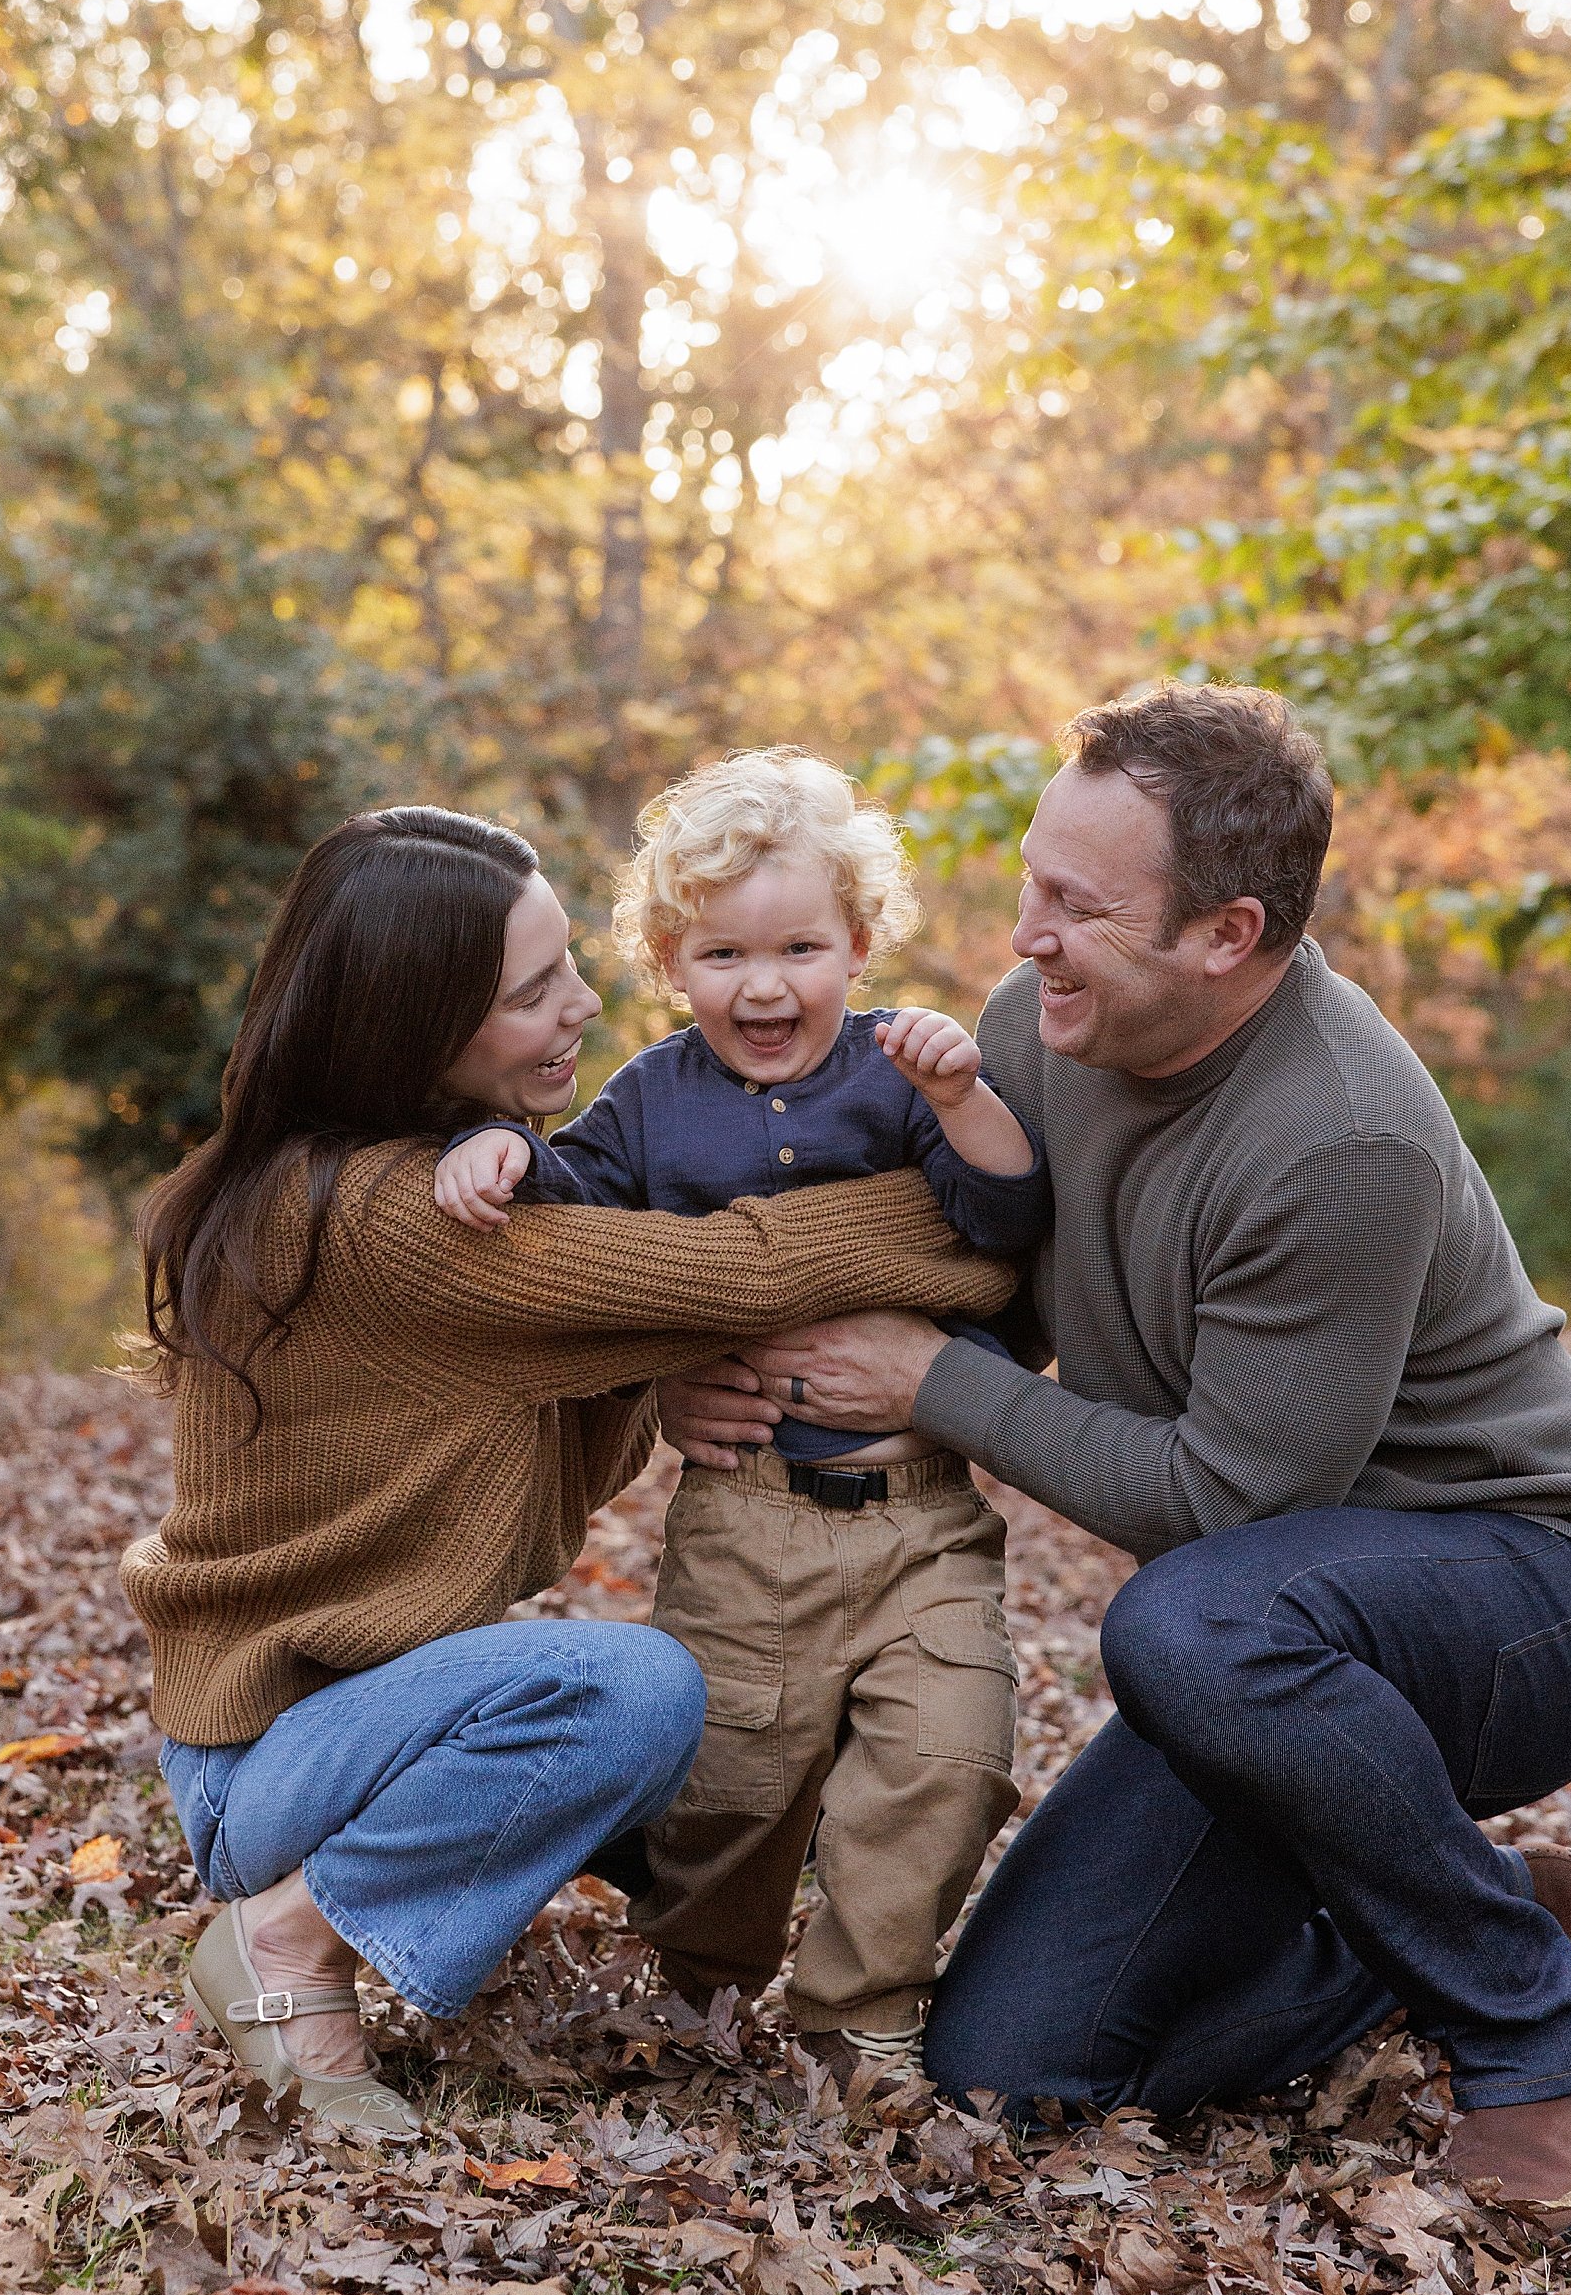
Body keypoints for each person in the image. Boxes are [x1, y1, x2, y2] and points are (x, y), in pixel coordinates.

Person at [660, 687, 1571, 2221]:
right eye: (1028, 882)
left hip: (1524, 1588)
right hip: (1269, 1642)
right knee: (1012, 2067)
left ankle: (1528, 2039)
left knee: (1183, 1618)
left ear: (1226, 932)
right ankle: (1436, 1899)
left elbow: (1227, 1503)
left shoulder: (1340, 1135)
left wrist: (933, 1383)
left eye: (1077, 905)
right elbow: (966, 1288)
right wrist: (715, 1370)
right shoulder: (1034, 1036)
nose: (1023, 936)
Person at [124, 804, 1013, 2140]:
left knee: (748, 1724)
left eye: (568, 968)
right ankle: (289, 1941)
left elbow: (540, 1383)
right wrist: (967, 1222)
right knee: (643, 1688)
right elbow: (742, 1270)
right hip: (277, 1759)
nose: (585, 1003)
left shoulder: (419, 1178)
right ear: (419, 1026)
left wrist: (652, 1380)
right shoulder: (399, 1218)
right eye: (536, 989)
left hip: (351, 1723)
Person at [433, 751, 1048, 2085]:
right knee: (732, 1785)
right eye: (721, 952)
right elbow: (572, 1214)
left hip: (923, 1513)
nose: (764, 985)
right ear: (669, 957)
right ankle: (705, 1977)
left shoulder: (902, 1073)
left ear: (860, 942)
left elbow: (1008, 1222)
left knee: (950, 1755)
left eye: (800, 947)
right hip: (747, 1519)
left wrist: (962, 1097)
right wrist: (503, 1155)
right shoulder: (653, 1096)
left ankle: (861, 2011)